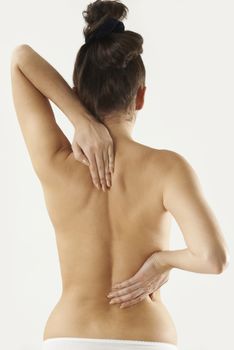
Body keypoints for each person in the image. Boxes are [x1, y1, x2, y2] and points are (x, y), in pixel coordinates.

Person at [10, 1, 229, 349]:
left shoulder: (57, 161)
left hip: (68, 335)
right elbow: (212, 258)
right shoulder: (168, 167)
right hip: (148, 337)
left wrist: (78, 118)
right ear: (140, 96)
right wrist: (162, 261)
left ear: (79, 93)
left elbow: (20, 59)